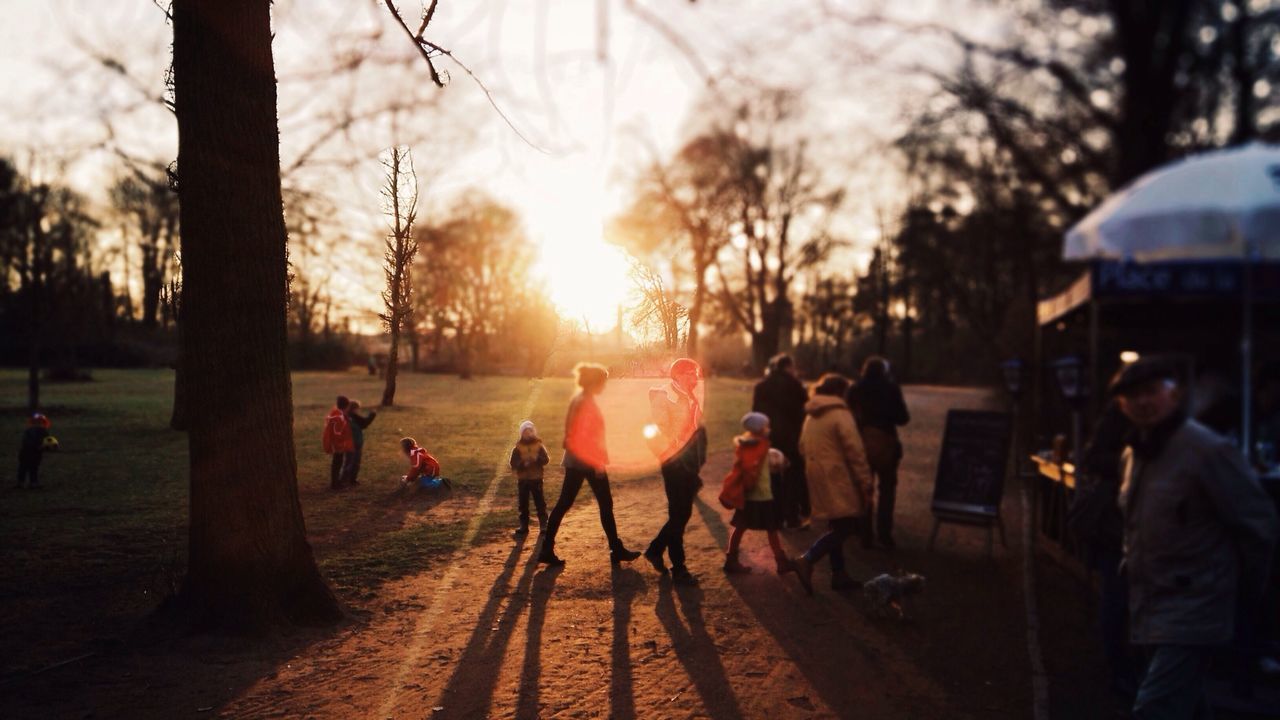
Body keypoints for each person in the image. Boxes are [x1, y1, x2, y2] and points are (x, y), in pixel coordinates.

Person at [1113, 356, 1277, 719]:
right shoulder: (1133, 453)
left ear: (1175, 395)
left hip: (1196, 608)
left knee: (1154, 708)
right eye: (1132, 395)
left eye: (1152, 392)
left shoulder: (1208, 451)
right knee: (1188, 704)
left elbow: (1259, 524)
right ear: (1121, 405)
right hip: (1148, 606)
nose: (1143, 402)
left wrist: (1241, 591)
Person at [538, 363, 641, 567]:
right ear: (595, 382)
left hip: (577, 460)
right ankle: (615, 549)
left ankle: (547, 549)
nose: (605, 385)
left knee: (568, 504)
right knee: (602, 503)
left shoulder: (582, 399)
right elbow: (585, 436)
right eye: (603, 381)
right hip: (585, 461)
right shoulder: (584, 402)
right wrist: (597, 463)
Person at [1068, 399, 1137, 698]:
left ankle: (1131, 670)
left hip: (1148, 527)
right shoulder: (1118, 417)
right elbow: (1093, 457)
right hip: (1115, 523)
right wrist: (1131, 461)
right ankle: (1118, 671)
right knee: (1116, 596)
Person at [792, 374, 875, 594]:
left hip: (816, 475)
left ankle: (839, 574)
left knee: (836, 524)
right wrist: (865, 482)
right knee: (847, 526)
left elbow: (801, 446)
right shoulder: (840, 414)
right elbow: (855, 452)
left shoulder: (812, 415)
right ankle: (807, 559)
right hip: (838, 476)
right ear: (841, 392)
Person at [644, 357, 709, 586]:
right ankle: (678, 567)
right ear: (679, 375)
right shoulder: (665, 395)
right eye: (691, 374)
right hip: (674, 463)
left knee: (682, 513)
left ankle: (655, 549)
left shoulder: (688, 396)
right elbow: (657, 429)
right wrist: (673, 454)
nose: (695, 378)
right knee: (679, 513)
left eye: (696, 374)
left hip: (688, 462)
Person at [845, 356, 910, 549]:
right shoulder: (891, 388)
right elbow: (903, 418)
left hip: (862, 445)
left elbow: (849, 417)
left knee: (864, 489)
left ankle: (865, 535)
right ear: (884, 370)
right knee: (887, 490)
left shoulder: (855, 389)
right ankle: (884, 534)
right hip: (886, 446)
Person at [720, 412, 794, 576]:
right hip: (760, 495)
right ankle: (781, 562)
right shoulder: (760, 445)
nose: (768, 428)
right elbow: (752, 469)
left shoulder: (746, 444)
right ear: (761, 429)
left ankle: (731, 560)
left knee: (741, 527)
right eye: (766, 426)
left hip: (750, 495)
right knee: (771, 529)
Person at [753, 353, 810, 528]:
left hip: (769, 436)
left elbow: (756, 413)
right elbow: (803, 412)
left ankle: (774, 518)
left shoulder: (761, 386)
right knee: (793, 477)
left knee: (772, 477)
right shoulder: (796, 385)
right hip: (792, 437)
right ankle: (792, 516)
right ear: (789, 366)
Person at [510, 419, 549, 537]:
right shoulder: (517, 447)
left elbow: (546, 460)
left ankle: (543, 524)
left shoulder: (539, 445)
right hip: (523, 480)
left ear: (534, 432)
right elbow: (513, 463)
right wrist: (522, 464)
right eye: (525, 432)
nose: (528, 434)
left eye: (530, 431)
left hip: (536, 479)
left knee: (540, 502)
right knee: (523, 503)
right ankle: (523, 525)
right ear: (521, 433)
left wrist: (537, 459)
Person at [322, 396, 355, 490]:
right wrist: (340, 446)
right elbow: (337, 433)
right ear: (347, 406)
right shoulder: (339, 417)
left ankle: (335, 482)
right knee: (337, 464)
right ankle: (335, 484)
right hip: (338, 446)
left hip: (336, 445)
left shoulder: (336, 413)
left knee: (336, 464)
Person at [341, 400, 377, 487]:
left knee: (354, 462)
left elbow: (363, 424)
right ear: (354, 408)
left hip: (356, 442)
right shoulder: (350, 416)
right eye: (357, 408)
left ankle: (351, 480)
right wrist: (372, 415)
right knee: (351, 462)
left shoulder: (350, 416)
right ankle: (345, 480)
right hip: (352, 443)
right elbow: (364, 423)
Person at [15, 413, 50, 489]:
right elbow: (26, 441)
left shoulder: (31, 431)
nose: (38, 424)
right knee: (27, 468)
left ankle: (29, 482)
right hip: (29, 452)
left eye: (40, 422)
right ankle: (26, 483)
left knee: (29, 468)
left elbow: (48, 442)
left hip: (31, 453)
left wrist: (45, 447)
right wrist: (39, 447)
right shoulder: (37, 432)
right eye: (37, 422)